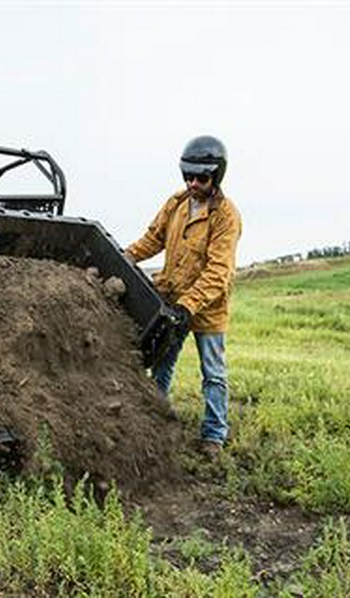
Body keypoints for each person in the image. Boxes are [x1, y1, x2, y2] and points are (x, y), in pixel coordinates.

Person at [125, 135, 242, 458]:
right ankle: (155, 421)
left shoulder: (226, 215)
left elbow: (219, 270)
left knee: (213, 373)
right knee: (160, 364)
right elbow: (152, 240)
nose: (193, 183)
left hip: (207, 308)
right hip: (171, 300)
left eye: (200, 178)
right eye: (187, 176)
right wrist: (124, 257)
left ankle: (214, 435)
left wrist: (189, 305)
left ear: (216, 176)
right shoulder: (176, 204)